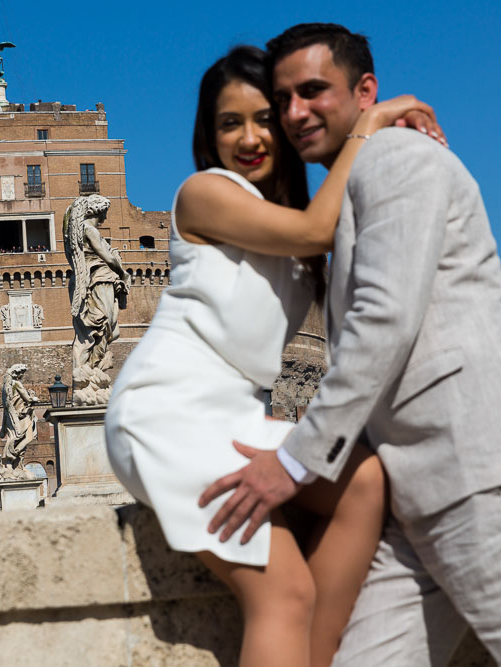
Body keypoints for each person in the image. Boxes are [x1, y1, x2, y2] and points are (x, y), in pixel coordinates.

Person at [200, 23, 501, 666]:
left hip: (481, 469)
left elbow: (386, 316)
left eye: (313, 91)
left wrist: (292, 463)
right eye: (283, 99)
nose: (294, 113)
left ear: (365, 90)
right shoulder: (362, 170)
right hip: (416, 492)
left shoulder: (395, 159)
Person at [105, 45, 442, 667]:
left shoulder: (281, 217)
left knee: (363, 482)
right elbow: (317, 229)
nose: (250, 137)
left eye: (264, 119)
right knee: (283, 594)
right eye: (229, 123)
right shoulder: (205, 193)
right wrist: (366, 126)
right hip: (169, 413)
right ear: (207, 136)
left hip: (232, 412)